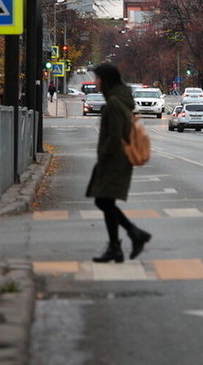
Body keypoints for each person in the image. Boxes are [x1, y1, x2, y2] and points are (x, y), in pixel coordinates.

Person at [86, 63, 152, 263]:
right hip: (115, 159)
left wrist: (103, 155)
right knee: (105, 201)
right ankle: (119, 244)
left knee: (103, 200)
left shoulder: (114, 103)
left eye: (98, 78)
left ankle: (131, 235)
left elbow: (115, 136)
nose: (96, 82)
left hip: (114, 159)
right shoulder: (118, 98)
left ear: (106, 80)